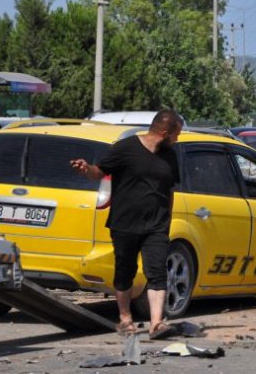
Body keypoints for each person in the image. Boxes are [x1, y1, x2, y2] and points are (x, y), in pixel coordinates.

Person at [70, 109, 182, 339]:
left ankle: (156, 323)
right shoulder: (125, 148)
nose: (177, 139)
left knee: (158, 272)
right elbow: (98, 172)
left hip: (156, 226)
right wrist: (86, 169)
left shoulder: (170, 155)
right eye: (176, 134)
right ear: (164, 132)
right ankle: (125, 319)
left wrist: (167, 220)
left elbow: (169, 190)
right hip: (125, 223)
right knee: (125, 272)